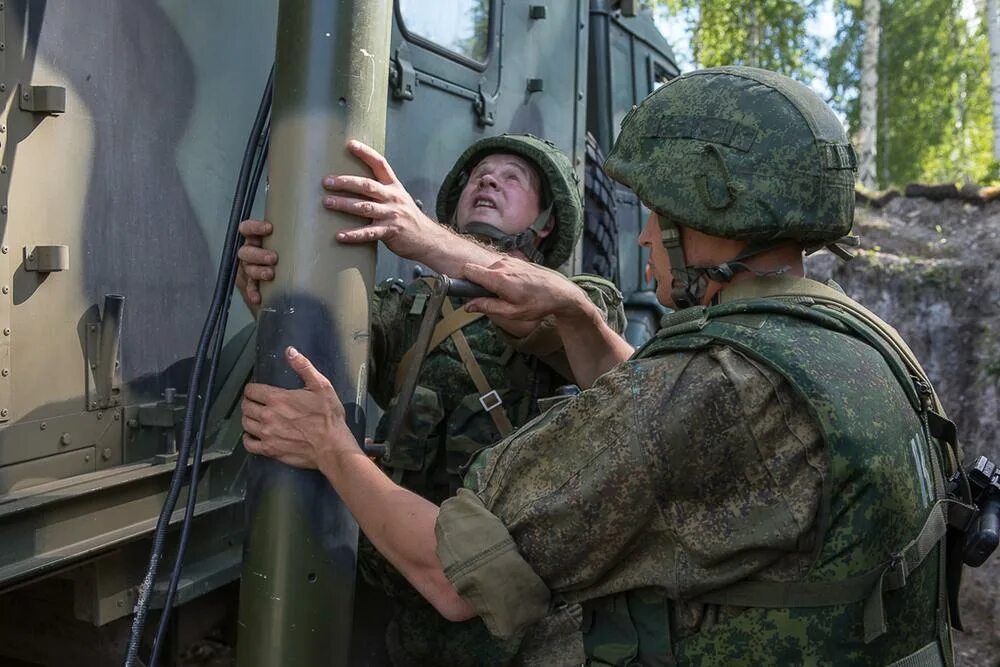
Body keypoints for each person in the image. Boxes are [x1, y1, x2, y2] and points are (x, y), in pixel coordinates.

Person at [240, 67, 963, 665]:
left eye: (657, 212)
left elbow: (458, 575)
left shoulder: (716, 381)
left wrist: (331, 447)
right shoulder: (855, 338)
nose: (645, 235)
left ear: (708, 218)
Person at [236, 134, 625, 665]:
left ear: (547, 223)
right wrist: (276, 278)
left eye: (513, 177)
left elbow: (561, 318)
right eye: (479, 174)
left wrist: (426, 237)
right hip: (413, 598)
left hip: (523, 630)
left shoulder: (584, 301)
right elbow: (322, 347)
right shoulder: (413, 307)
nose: (487, 180)